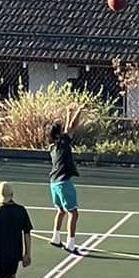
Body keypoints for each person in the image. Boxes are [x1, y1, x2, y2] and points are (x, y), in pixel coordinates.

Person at [47, 108, 84, 255]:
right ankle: (70, 244)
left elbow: (68, 128)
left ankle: (56, 238)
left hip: (54, 183)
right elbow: (72, 127)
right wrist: (79, 111)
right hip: (63, 183)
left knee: (61, 210)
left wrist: (69, 113)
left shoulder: (53, 146)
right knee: (73, 213)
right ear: (59, 133)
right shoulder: (63, 142)